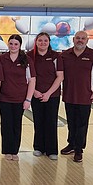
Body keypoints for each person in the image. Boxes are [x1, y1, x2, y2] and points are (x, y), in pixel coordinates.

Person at [61, 30, 93, 162]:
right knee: (71, 122)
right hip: (69, 95)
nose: (80, 40)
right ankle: (72, 144)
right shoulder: (65, 55)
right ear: (73, 39)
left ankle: (79, 149)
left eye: (83, 38)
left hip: (85, 96)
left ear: (87, 40)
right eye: (78, 38)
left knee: (81, 124)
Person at [0, 34, 36, 161]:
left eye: (16, 44)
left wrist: (28, 99)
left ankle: (14, 151)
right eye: (11, 43)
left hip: (20, 98)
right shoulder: (2, 59)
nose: (13, 46)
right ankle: (7, 150)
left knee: (16, 125)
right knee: (6, 125)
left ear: (20, 46)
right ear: (8, 44)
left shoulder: (26, 60)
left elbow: (32, 80)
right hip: (4, 98)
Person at [26, 32, 64, 160]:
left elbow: (60, 76)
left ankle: (52, 150)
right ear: (36, 42)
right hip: (35, 94)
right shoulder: (30, 56)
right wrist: (34, 92)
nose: (42, 43)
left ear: (49, 42)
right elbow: (27, 76)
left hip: (52, 95)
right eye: (40, 40)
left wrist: (48, 93)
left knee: (51, 122)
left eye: (45, 41)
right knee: (38, 121)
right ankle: (38, 147)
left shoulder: (55, 56)